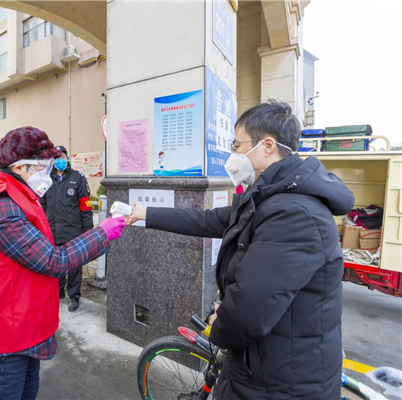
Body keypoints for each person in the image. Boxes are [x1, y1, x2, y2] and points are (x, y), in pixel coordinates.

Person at [127, 100, 355, 399]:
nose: (233, 155)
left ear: (267, 146)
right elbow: (210, 220)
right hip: (262, 365)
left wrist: (219, 325)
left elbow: (249, 312)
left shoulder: (294, 213)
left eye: (237, 145)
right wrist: (147, 214)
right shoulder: (266, 196)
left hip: (282, 381)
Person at [0, 126, 126, 400]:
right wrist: (102, 234)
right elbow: (53, 261)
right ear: (20, 167)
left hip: (23, 320)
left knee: (28, 392)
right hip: (9, 331)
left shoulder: (21, 193)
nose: (48, 173)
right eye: (43, 167)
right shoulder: (4, 205)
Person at [40, 145, 94, 312]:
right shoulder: (46, 179)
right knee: (56, 265)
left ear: (67, 158)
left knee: (74, 266)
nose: (59, 160)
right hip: (52, 231)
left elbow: (85, 206)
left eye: (61, 157)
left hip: (74, 231)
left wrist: (88, 231)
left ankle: (74, 296)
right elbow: (40, 207)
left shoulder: (77, 178)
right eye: (55, 158)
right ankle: (58, 293)